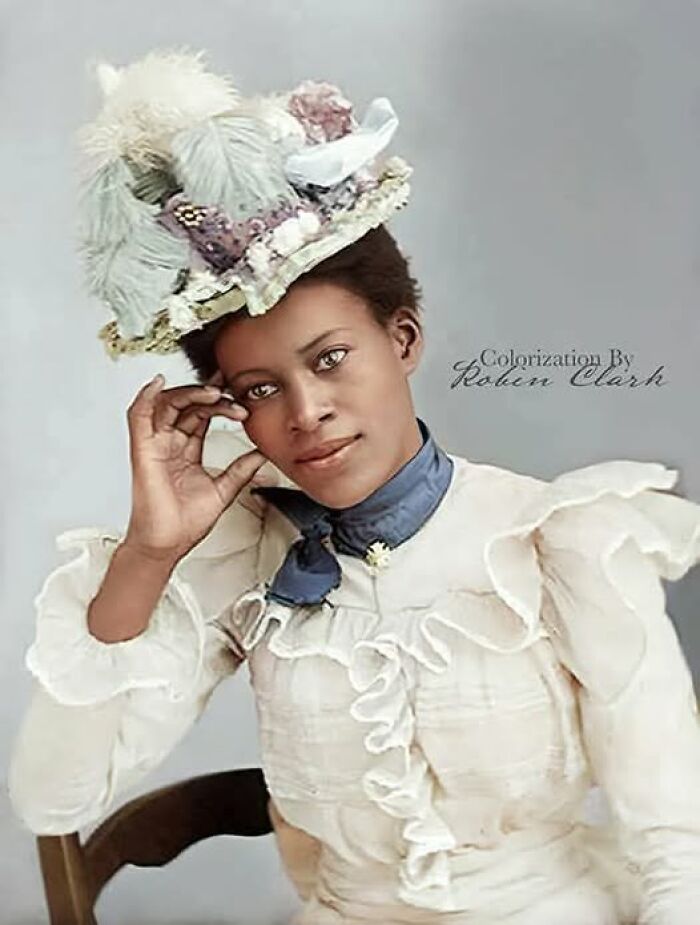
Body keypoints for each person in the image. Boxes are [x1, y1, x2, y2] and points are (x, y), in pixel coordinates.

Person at [8, 49, 700, 925]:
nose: (308, 413)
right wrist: (149, 554)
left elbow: (681, 843)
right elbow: (51, 798)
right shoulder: (243, 559)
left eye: (331, 360)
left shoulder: (559, 540)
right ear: (229, 409)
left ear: (403, 340)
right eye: (260, 390)